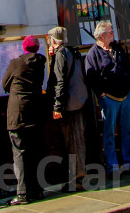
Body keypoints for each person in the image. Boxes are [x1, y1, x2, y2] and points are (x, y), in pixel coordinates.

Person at [83, 20, 130, 174]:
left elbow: (126, 67)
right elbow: (90, 76)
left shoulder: (117, 49)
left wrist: (128, 86)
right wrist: (101, 93)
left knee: (127, 130)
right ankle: (112, 165)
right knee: (109, 132)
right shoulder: (93, 54)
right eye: (111, 32)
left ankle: (128, 162)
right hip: (109, 98)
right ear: (102, 35)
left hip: (125, 95)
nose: (113, 34)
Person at [1, 35, 47, 205]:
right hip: (35, 110)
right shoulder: (40, 63)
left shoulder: (15, 63)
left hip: (18, 113)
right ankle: (37, 190)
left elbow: (4, 84)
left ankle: (22, 194)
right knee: (35, 152)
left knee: (19, 153)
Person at [46, 26, 87, 188]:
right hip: (79, 100)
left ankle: (77, 178)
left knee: (72, 140)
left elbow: (59, 80)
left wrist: (57, 106)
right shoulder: (71, 51)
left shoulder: (61, 54)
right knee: (77, 138)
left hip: (69, 104)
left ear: (53, 40)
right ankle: (78, 175)